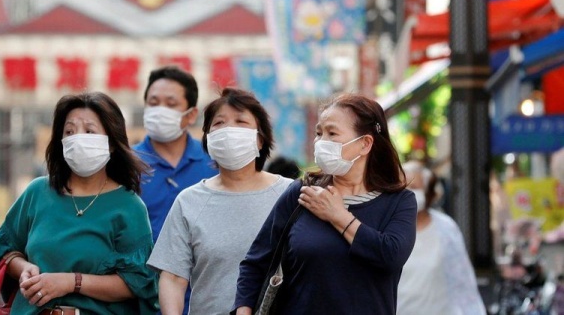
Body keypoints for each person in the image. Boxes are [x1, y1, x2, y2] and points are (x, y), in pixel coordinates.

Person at [233, 93, 416, 315]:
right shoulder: (303, 192)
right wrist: (243, 310)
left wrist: (338, 215)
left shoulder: (398, 201)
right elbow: (256, 262)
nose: (321, 142)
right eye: (319, 133)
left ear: (365, 144)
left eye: (332, 133)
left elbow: (390, 256)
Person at [0, 91, 158, 314]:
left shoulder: (129, 206)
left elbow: (138, 283)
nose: (78, 138)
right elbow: (3, 251)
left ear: (111, 143)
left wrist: (70, 282)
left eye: (89, 130)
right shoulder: (37, 192)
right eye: (69, 131)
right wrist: (24, 268)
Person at [148, 88, 293, 315]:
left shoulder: (289, 194)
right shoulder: (189, 201)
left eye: (241, 121)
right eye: (219, 123)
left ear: (260, 139)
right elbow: (173, 277)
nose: (228, 130)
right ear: (207, 138)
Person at [133, 66, 218, 242]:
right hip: (143, 268)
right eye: (153, 103)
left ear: (191, 114)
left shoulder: (214, 161)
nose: (160, 111)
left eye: (171, 104)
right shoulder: (126, 163)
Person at [397, 161, 485, 315]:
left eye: (414, 187)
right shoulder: (386, 228)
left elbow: (462, 281)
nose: (408, 193)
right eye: (403, 188)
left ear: (428, 191)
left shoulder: (446, 228)